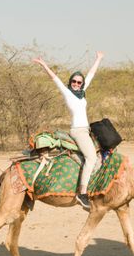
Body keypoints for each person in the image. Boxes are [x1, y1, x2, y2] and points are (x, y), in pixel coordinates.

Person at [33, 52, 104, 210]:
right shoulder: (68, 93)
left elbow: (91, 75)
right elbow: (55, 79)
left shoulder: (82, 92)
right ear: (70, 82)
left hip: (87, 129)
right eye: (74, 81)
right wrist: (43, 64)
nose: (77, 84)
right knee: (91, 158)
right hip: (78, 131)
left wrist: (98, 59)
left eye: (79, 82)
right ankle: (83, 193)